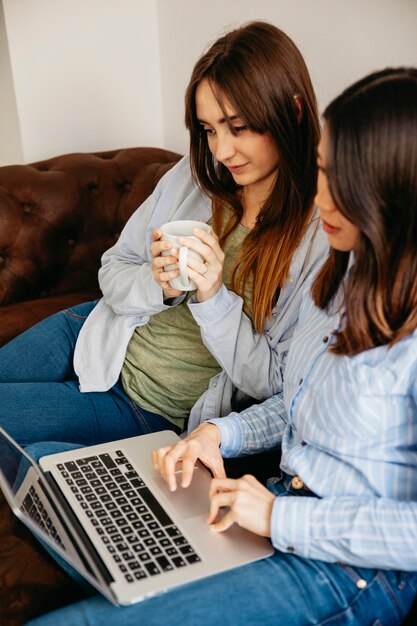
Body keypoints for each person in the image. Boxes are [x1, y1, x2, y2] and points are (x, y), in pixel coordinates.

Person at [25, 67, 417, 625]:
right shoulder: (346, 280)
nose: (319, 193)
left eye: (335, 177)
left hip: (347, 565)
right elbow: (295, 399)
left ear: (393, 188)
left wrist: (280, 518)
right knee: (49, 482)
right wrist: (220, 433)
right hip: (277, 494)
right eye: (322, 170)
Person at [0, 21, 326, 447]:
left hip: (146, 407)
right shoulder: (196, 176)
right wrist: (160, 285)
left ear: (294, 112)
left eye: (238, 126)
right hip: (93, 332)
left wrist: (213, 298)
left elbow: (276, 384)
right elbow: (114, 268)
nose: (221, 151)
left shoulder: (322, 234)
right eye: (209, 130)